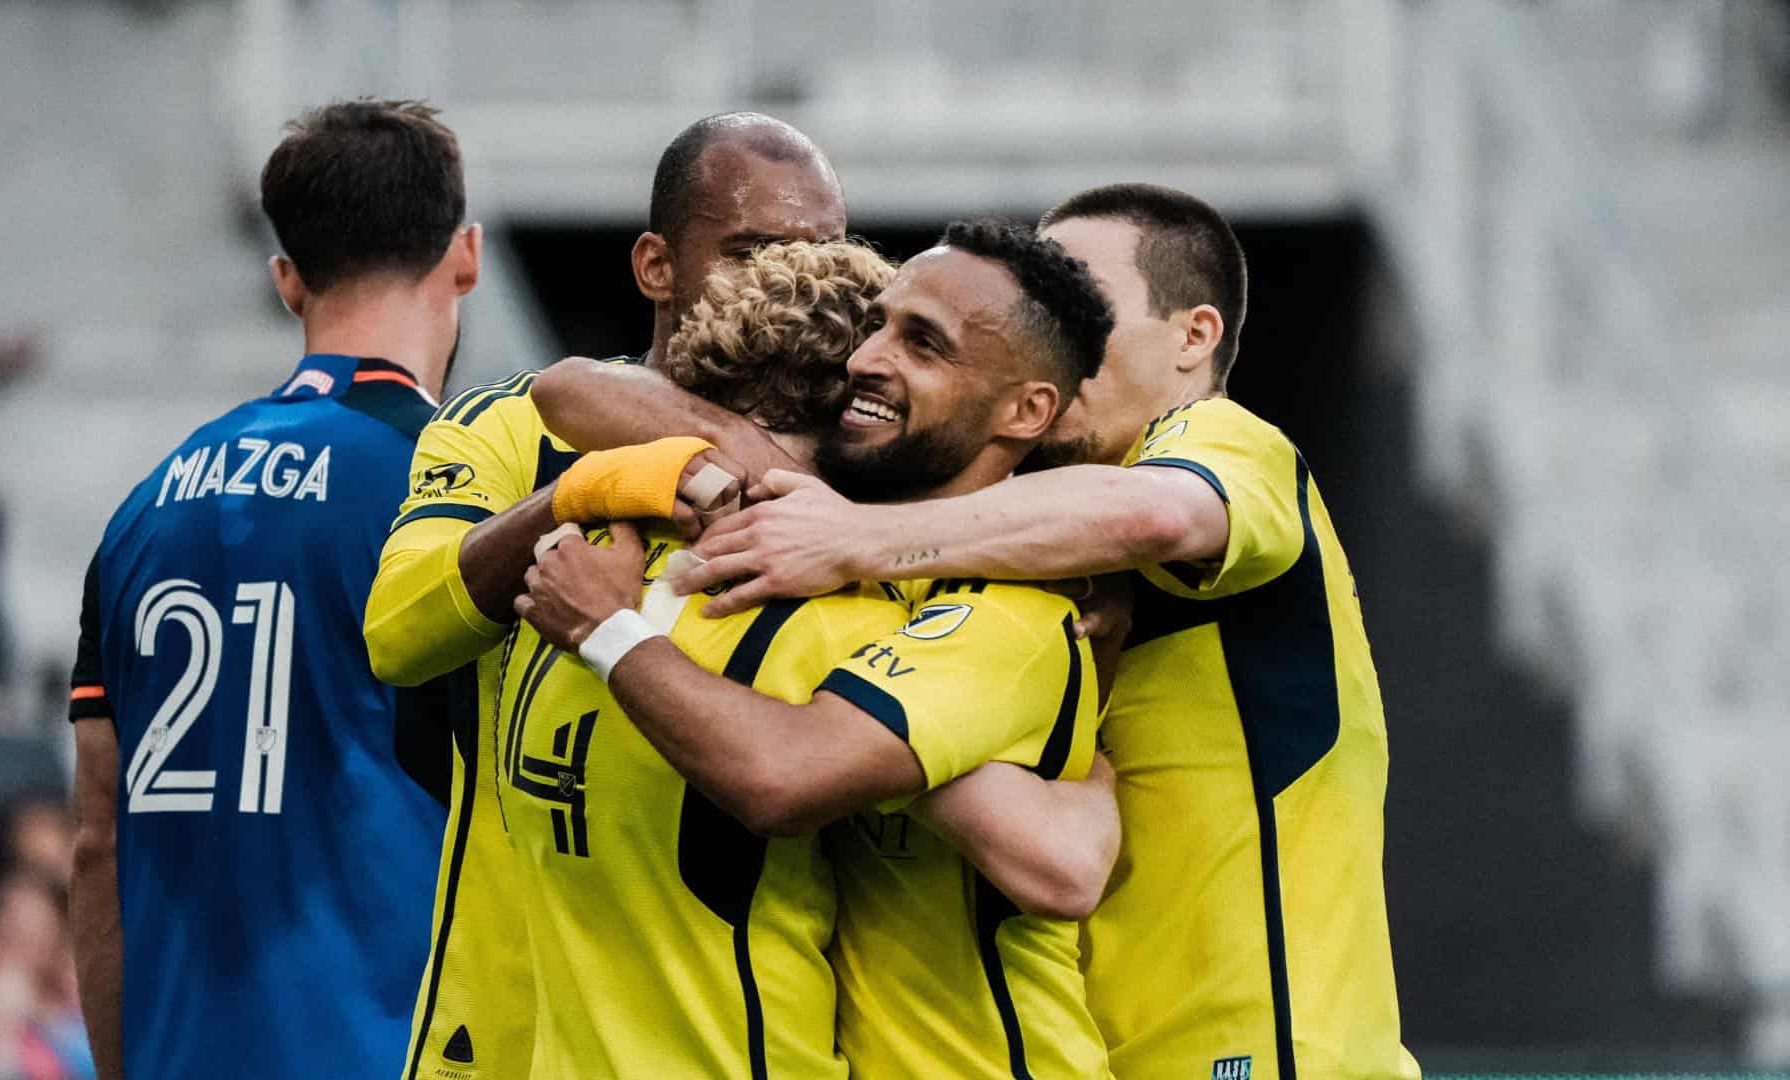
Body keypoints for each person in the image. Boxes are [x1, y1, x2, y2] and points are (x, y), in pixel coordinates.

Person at [600, 183, 1418, 1080]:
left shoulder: (1224, 441)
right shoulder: (1011, 533)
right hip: (1101, 1048)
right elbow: (579, 392)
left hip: (1262, 1050)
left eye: (1087, 305)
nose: (1060, 331)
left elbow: (1157, 518)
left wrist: (853, 541)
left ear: (1194, 336)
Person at [512, 220, 1122, 1079]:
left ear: (1026, 411)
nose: (868, 358)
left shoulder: (1009, 619)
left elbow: (785, 777)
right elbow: (565, 389)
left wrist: (609, 630)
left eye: (923, 344)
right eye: (878, 325)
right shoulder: (818, 543)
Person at [362, 111, 852, 1080]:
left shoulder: (862, 468)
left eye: (822, 256)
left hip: (738, 1038)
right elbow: (401, 626)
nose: (788, 285)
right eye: (749, 250)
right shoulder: (510, 433)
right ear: (655, 267)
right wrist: (587, 490)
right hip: (503, 1027)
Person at [66, 99, 475, 1080]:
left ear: (287, 280)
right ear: (466, 257)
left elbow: (95, 846)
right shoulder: (453, 489)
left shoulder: (144, 508)